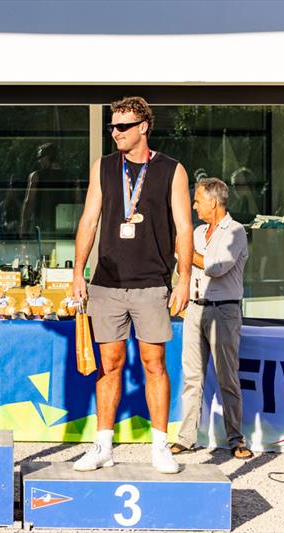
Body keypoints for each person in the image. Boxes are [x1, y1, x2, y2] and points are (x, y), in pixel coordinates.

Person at [71, 96, 193, 474]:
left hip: (152, 281)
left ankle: (160, 446)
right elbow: (89, 219)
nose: (115, 133)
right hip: (107, 282)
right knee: (110, 364)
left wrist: (184, 277)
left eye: (123, 126)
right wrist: (78, 273)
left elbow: (185, 228)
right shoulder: (104, 167)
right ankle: (103, 444)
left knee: (153, 363)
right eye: (112, 126)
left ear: (143, 127)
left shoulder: (172, 170)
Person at [171, 178, 252, 459]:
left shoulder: (236, 231)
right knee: (192, 377)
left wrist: (185, 253)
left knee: (227, 378)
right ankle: (186, 438)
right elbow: (184, 266)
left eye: (197, 200)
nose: (194, 206)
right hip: (195, 308)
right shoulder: (198, 232)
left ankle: (236, 439)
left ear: (213, 202)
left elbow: (216, 267)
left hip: (224, 310)